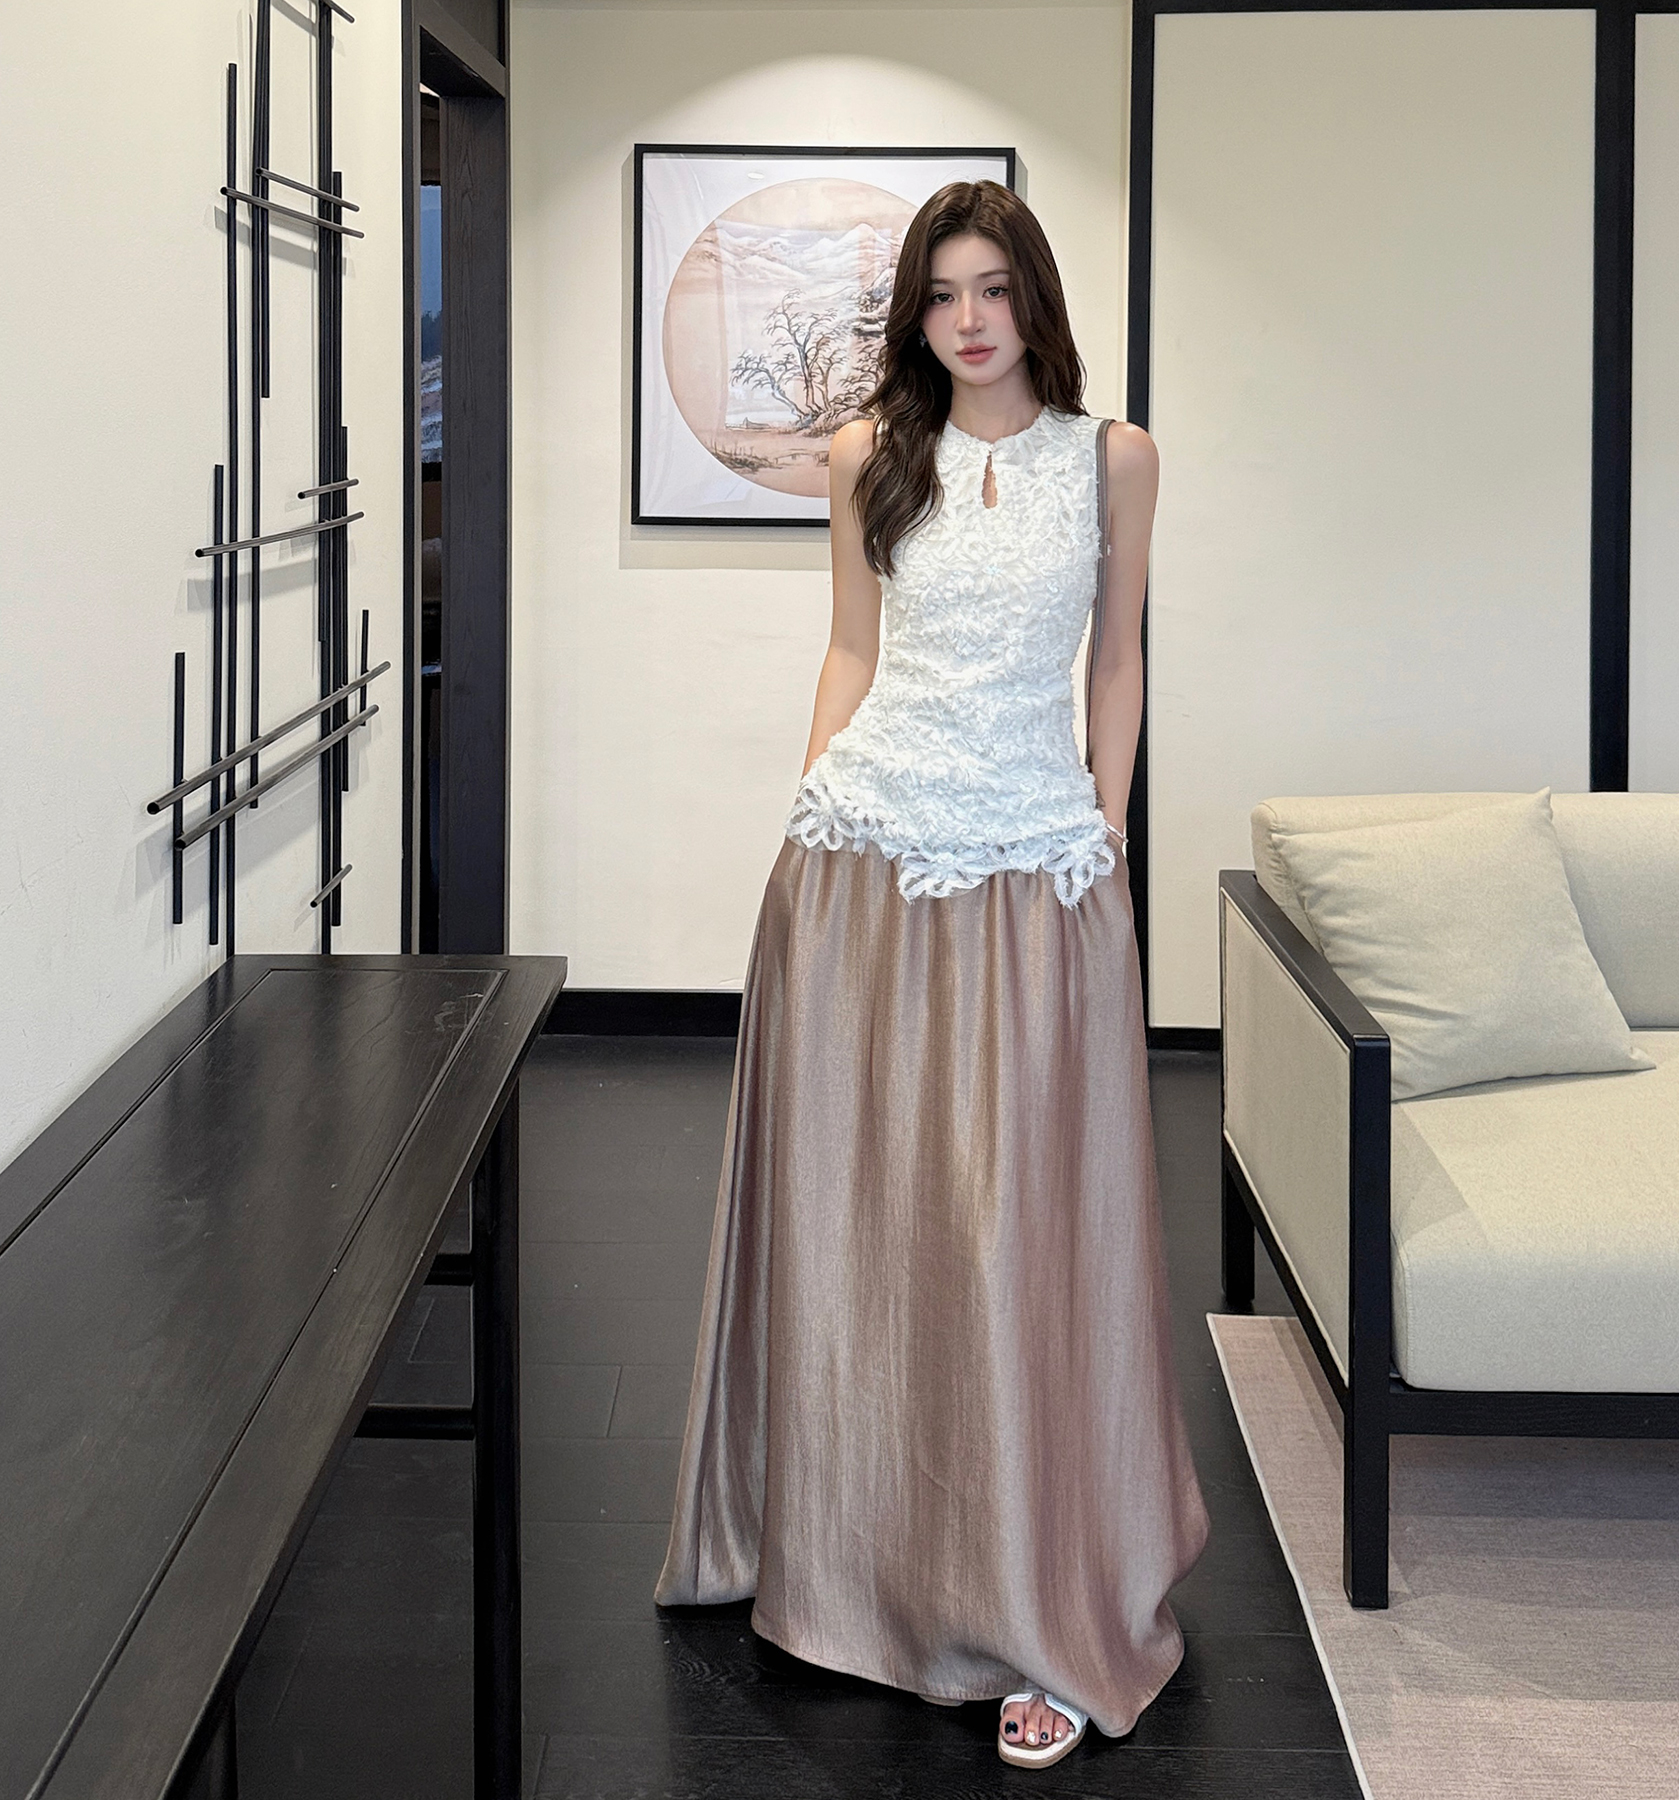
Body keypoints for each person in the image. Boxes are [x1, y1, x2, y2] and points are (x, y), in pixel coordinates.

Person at [655, 179, 1206, 1770]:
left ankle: (1038, 1605)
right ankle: (863, 1566)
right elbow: (851, 648)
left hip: (1037, 871)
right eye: (943, 294)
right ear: (915, 313)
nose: (969, 320)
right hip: (862, 863)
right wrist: (807, 808)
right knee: (870, 1223)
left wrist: (1102, 830)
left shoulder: (1114, 459)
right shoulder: (868, 455)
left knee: (1020, 1232)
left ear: (1035, 298)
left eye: (994, 289)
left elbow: (1118, 658)